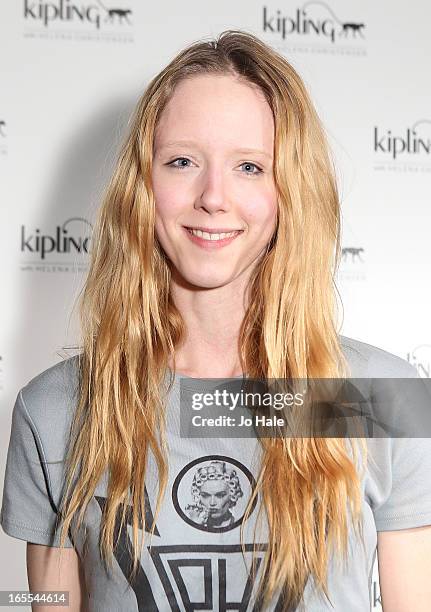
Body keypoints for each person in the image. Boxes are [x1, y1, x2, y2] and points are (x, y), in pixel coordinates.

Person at [1, 29, 431, 612]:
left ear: (289, 193)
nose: (213, 196)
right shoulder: (57, 408)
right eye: (182, 161)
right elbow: (46, 601)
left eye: (250, 167)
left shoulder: (379, 399)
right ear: (142, 185)